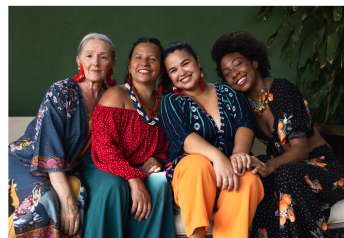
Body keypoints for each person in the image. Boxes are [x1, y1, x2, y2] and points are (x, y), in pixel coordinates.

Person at [211, 30, 344, 238]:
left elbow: (301, 150)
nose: (234, 73)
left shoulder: (282, 90)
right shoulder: (245, 110)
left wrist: (269, 166)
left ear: (255, 62)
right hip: (288, 174)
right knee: (256, 170)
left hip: (323, 169)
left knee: (281, 171)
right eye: (227, 72)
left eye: (238, 64)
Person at [8, 32, 117, 238]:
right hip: (26, 159)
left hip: (66, 168)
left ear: (112, 63)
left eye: (103, 57)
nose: (95, 62)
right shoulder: (61, 91)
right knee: (44, 200)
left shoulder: (111, 100)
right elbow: (49, 149)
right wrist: (67, 202)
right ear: (79, 61)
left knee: (80, 194)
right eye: (89, 55)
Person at [159, 41, 264, 238]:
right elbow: (184, 138)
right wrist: (218, 158)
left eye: (185, 63)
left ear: (197, 61)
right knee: (196, 163)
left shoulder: (229, 92)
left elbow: (245, 124)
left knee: (248, 177)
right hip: (194, 177)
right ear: (170, 77)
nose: (181, 72)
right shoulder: (171, 102)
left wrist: (238, 154)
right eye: (173, 70)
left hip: (232, 169)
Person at [79, 37, 176, 238]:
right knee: (114, 186)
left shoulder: (165, 104)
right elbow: (104, 147)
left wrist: (157, 159)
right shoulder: (115, 96)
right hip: (103, 163)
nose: (144, 63)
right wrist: (133, 177)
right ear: (130, 65)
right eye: (138, 57)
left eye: (152, 59)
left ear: (161, 68)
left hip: (140, 167)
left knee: (160, 183)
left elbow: (170, 146)